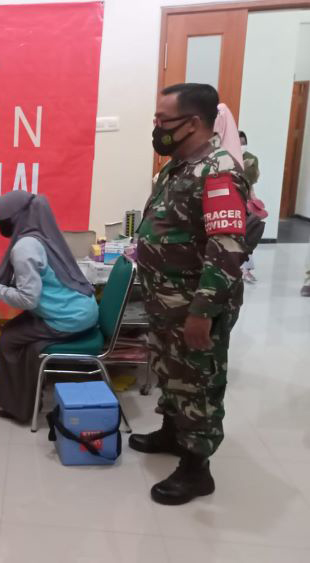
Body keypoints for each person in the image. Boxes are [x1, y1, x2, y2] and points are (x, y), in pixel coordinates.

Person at [132, 83, 249, 505]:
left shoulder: (218, 172)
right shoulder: (179, 166)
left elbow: (227, 247)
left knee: (198, 381)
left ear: (193, 123)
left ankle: (197, 468)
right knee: (171, 371)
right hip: (167, 302)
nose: (157, 127)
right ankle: (172, 432)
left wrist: (202, 311)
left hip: (194, 306)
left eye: (164, 120)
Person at [0, 191, 99, 423]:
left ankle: (18, 408)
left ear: (15, 217)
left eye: (2, 217)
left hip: (69, 318)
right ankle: (23, 398)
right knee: (16, 333)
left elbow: (28, 299)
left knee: (9, 340)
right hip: (81, 309)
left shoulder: (25, 248)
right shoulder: (40, 236)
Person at [239, 130, 261, 283]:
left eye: (244, 142)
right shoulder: (226, 157)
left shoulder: (252, 159)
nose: (242, 145)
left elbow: (251, 183)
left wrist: (254, 200)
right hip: (231, 199)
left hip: (245, 200)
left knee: (247, 233)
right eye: (239, 142)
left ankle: (245, 269)